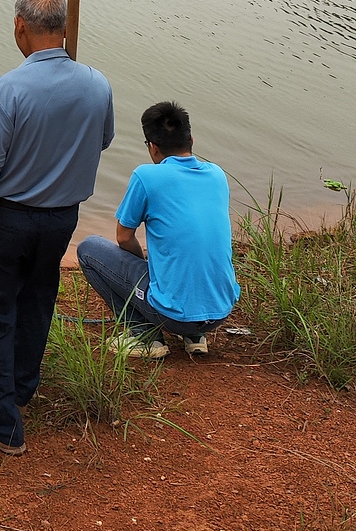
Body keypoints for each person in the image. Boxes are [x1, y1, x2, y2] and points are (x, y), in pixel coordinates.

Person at [0, 0, 114, 457]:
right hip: (60, 220)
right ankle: (21, 390)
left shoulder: (10, 88)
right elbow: (102, 141)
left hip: (7, 220)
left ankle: (4, 425)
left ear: (20, 26)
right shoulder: (98, 84)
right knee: (38, 299)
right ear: (62, 29)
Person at [76, 101, 239, 360]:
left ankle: (144, 334)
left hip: (174, 316)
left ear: (152, 147)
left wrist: (139, 262)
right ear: (191, 139)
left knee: (88, 249)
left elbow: (123, 237)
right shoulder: (217, 175)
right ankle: (195, 338)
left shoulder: (147, 177)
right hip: (220, 312)